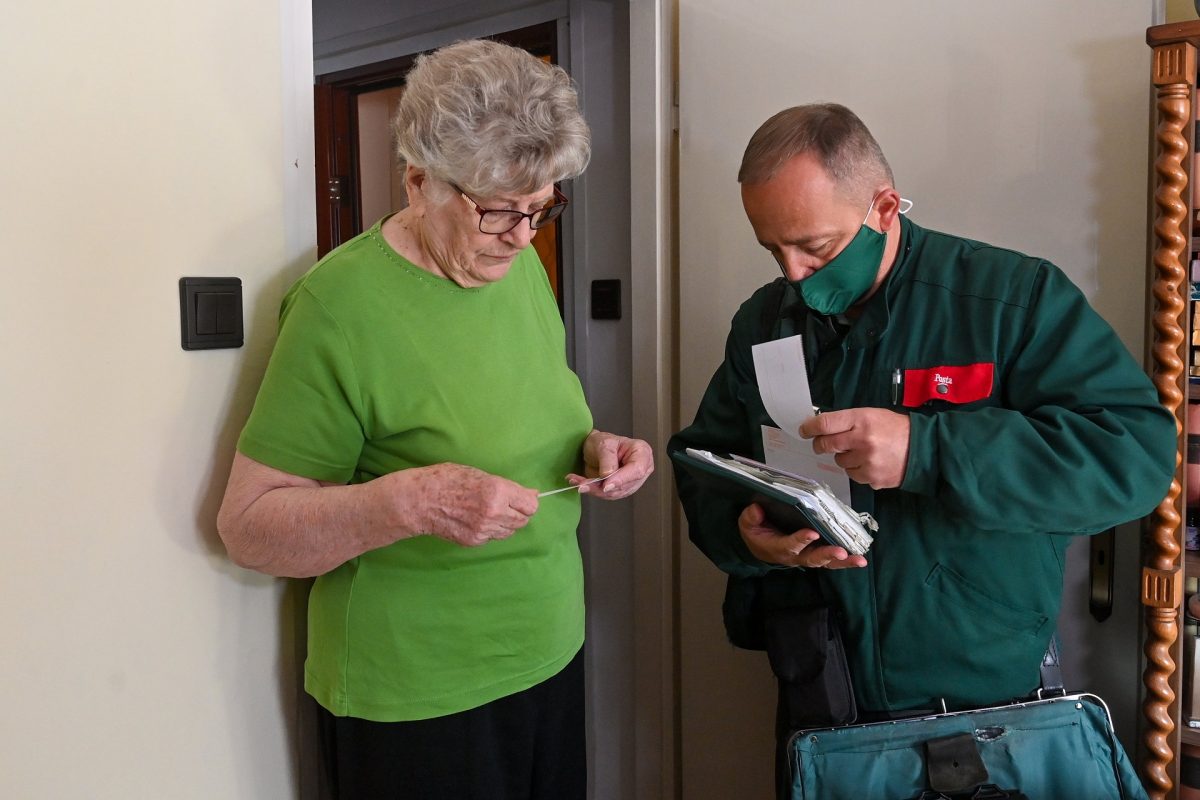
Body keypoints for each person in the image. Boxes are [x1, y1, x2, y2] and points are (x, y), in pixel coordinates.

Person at [668, 103, 1174, 795]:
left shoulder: (1012, 299)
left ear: (883, 209)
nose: (795, 274)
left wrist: (926, 450)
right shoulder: (763, 323)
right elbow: (705, 463)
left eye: (816, 248)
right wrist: (744, 533)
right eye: (773, 250)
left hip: (984, 713)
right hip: (820, 701)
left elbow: (1135, 456)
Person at [216, 39, 653, 800]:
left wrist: (597, 446)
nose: (524, 236)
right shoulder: (338, 308)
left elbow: (516, 414)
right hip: (416, 693)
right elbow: (249, 528)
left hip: (547, 651)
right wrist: (412, 502)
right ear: (419, 182)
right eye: (498, 211)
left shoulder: (517, 266)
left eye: (541, 208)